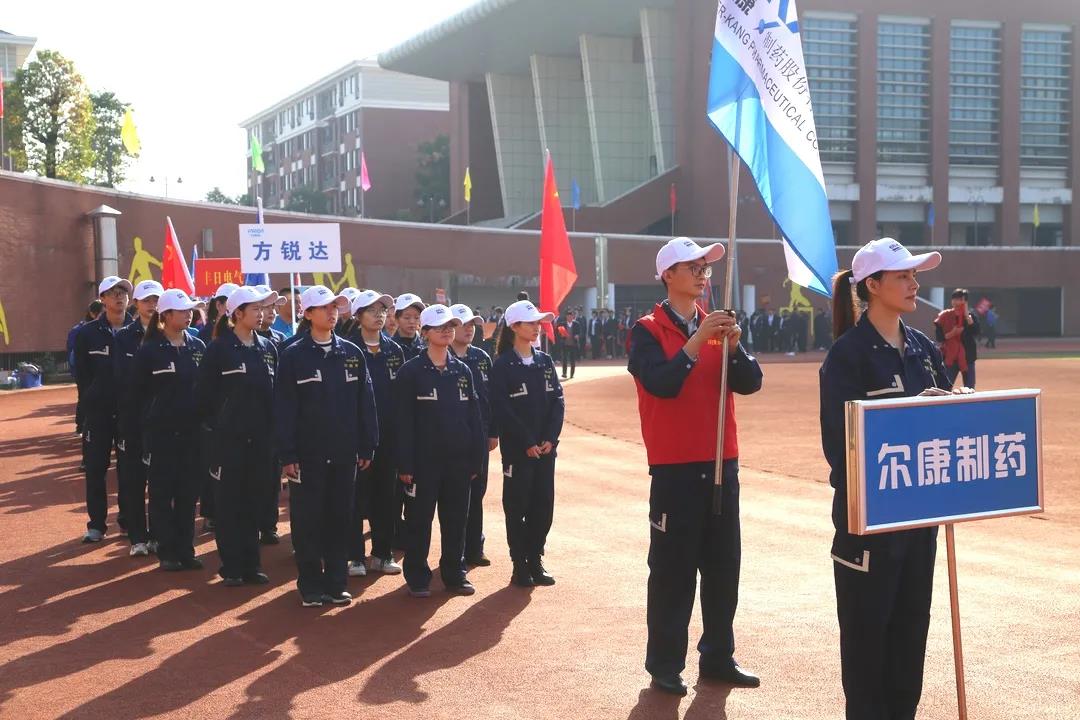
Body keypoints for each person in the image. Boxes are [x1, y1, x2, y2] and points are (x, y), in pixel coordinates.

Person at [820, 238, 967, 720]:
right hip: (868, 528)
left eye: (914, 275)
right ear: (872, 285)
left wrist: (955, 407)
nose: (913, 283)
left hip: (918, 525)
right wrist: (909, 415)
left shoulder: (923, 348)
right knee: (867, 649)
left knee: (909, 642)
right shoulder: (848, 355)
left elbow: (945, 430)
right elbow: (841, 448)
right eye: (903, 276)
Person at [627, 237, 763, 696]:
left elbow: (751, 382)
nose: (704, 274)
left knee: (724, 568)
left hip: (723, 462)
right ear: (668, 275)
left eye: (706, 268)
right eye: (694, 267)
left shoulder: (718, 325)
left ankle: (719, 655)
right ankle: (665, 663)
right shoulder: (647, 331)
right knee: (673, 572)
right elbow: (661, 384)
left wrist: (735, 348)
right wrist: (698, 341)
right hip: (676, 469)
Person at [274, 285, 378, 607]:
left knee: (340, 517)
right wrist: (287, 453)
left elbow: (365, 401)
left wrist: (368, 444)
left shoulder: (352, 353)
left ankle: (336, 582)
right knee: (307, 520)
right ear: (307, 314)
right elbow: (284, 408)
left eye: (335, 307)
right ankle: (310, 585)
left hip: (345, 452)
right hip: (307, 455)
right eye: (324, 307)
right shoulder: (293, 356)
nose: (332, 312)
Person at [394, 304, 485, 598]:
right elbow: (402, 421)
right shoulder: (410, 372)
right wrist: (405, 464)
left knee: (456, 521)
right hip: (423, 463)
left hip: (458, 462)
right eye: (440, 327)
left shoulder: (462, 371)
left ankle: (455, 574)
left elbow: (474, 417)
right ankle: (417, 576)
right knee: (419, 522)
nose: (447, 331)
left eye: (450, 326)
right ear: (425, 332)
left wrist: (475, 459)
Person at [196, 286, 280, 586]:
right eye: (255, 309)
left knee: (254, 503)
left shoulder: (267, 348)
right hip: (228, 442)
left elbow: (275, 395)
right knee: (229, 504)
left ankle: (252, 564)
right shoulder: (219, 349)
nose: (261, 313)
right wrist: (218, 427)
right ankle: (231, 566)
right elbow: (203, 396)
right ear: (237, 314)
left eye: (262, 308)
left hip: (261, 442)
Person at [129, 289, 208, 571]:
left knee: (188, 494)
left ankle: (186, 549)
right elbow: (136, 396)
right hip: (161, 434)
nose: (189, 315)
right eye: (183, 311)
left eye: (190, 310)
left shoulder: (198, 347)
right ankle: (167, 551)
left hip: (192, 433)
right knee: (162, 494)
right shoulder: (149, 351)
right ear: (166, 315)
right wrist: (142, 431)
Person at [490, 300, 566, 588]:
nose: (537, 327)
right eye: (531, 323)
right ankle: (519, 564)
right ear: (514, 327)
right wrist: (526, 442)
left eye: (538, 323)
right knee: (517, 506)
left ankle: (536, 559)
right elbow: (502, 409)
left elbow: (557, 401)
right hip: (518, 452)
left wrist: (550, 438)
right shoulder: (502, 366)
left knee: (543, 507)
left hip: (545, 450)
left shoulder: (544, 361)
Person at [344, 289, 405, 577]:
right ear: (358, 316)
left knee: (386, 498)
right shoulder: (347, 349)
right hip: (357, 436)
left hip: (389, 436)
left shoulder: (394, 350)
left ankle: (382, 553)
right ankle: (354, 556)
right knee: (356, 498)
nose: (379, 315)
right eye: (372, 310)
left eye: (383, 310)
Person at [74, 276, 134, 542]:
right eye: (113, 292)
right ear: (102, 299)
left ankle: (127, 520)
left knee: (129, 470)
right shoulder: (87, 333)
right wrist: (91, 400)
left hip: (129, 413)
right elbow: (81, 374)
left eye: (123, 291)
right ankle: (97, 524)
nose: (119, 296)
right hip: (98, 413)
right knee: (96, 469)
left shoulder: (138, 331)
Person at [114, 280, 165, 557]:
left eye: (156, 299)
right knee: (134, 481)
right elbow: (120, 379)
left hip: (160, 420)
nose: (152, 305)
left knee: (159, 481)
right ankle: (137, 537)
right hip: (133, 419)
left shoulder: (166, 334)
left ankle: (157, 534)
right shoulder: (124, 337)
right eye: (147, 300)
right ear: (136, 303)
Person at [449, 303, 500, 568]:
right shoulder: (440, 356)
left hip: (478, 437)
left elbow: (492, 398)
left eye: (472, 324)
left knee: (477, 492)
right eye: (463, 324)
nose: (469, 329)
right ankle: (453, 552)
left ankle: (474, 547)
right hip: (449, 439)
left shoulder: (481, 358)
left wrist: (493, 432)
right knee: (452, 498)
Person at [254, 285, 288, 544]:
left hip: (272, 420)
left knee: (271, 477)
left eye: (274, 307)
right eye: (265, 307)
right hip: (245, 424)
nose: (271, 312)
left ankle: (268, 524)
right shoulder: (234, 342)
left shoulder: (278, 340)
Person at [69, 300, 105, 444]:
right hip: (84, 371)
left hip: (100, 372)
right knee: (84, 397)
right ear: (93, 314)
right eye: (102, 313)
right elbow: (74, 353)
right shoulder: (80, 330)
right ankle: (81, 426)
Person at [934, 288, 980, 389]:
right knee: (945, 387)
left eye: (960, 299)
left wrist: (967, 318)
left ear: (965, 302)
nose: (956, 302)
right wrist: (952, 333)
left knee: (969, 388)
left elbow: (976, 332)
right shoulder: (945, 316)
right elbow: (939, 337)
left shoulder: (971, 316)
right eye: (954, 299)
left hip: (967, 357)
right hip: (950, 357)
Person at [392, 293, 427, 362]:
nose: (412, 321)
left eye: (416, 318)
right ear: (396, 319)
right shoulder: (389, 346)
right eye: (407, 317)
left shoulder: (426, 346)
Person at [556, 309, 581, 379]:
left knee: (572, 360)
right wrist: (561, 335)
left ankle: (572, 374)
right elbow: (557, 333)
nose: (569, 317)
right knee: (564, 359)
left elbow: (579, 332)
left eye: (571, 316)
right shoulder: (562, 324)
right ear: (566, 317)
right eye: (568, 316)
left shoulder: (576, 324)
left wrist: (577, 335)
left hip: (573, 344)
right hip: (565, 344)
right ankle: (564, 373)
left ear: (573, 317)